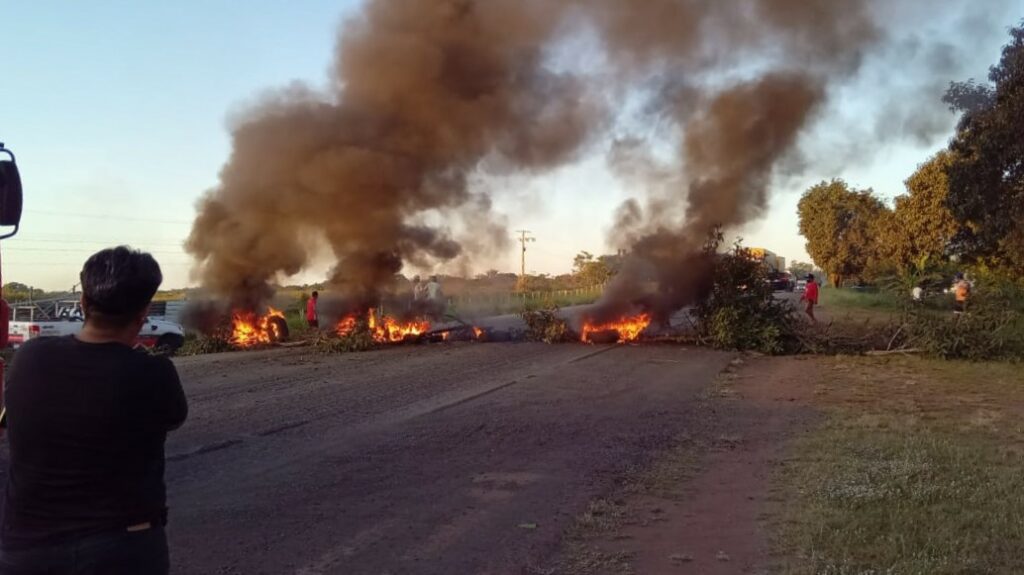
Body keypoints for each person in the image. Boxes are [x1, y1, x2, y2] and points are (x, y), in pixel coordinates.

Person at [0, 246, 188, 574]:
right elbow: (173, 419)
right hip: (124, 549)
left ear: (84, 303)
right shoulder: (154, 373)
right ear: (143, 312)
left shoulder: (30, 358)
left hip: (28, 551)